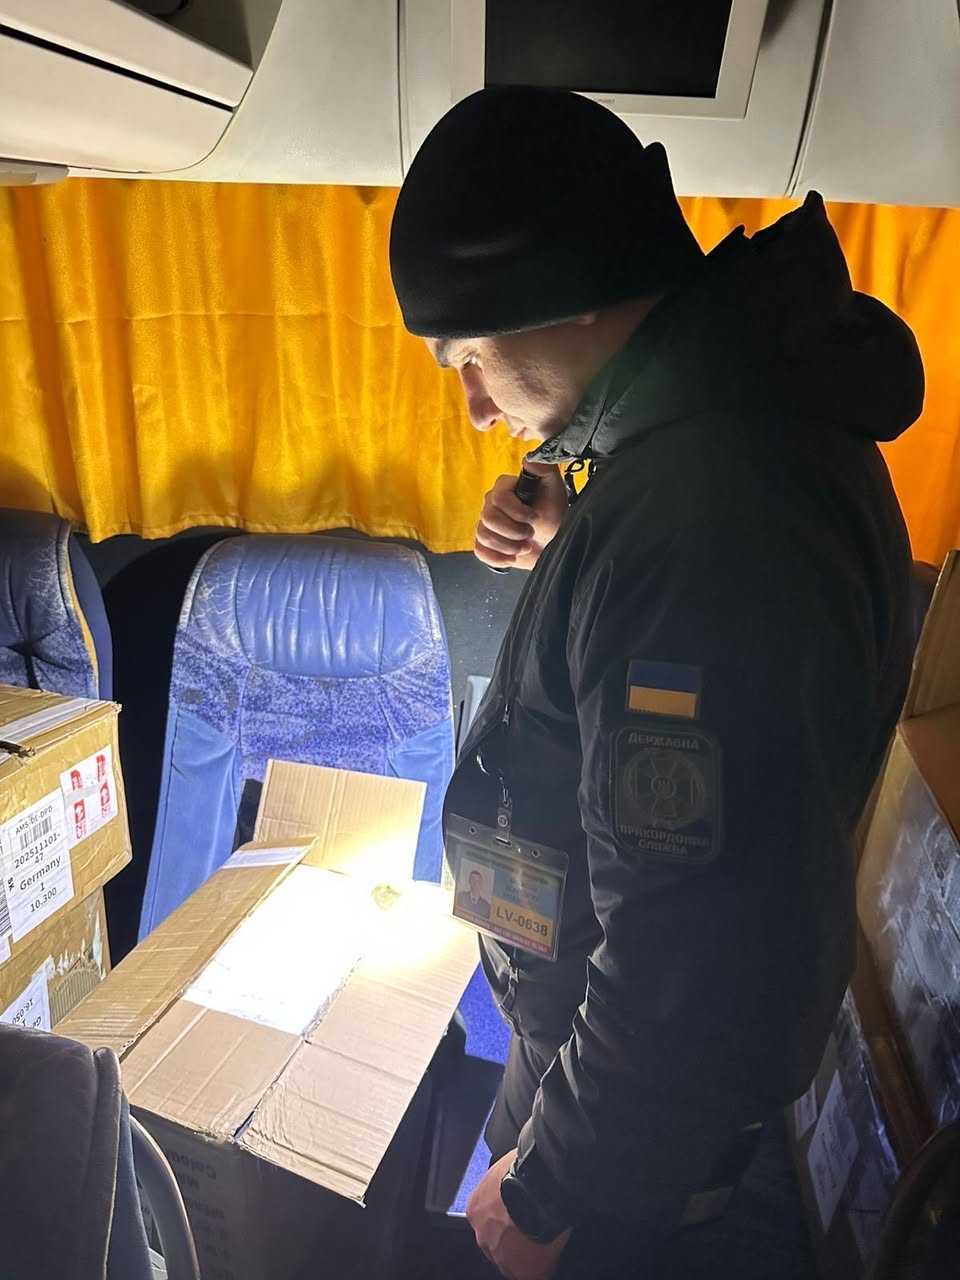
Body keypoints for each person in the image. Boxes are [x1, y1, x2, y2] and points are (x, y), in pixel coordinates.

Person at [389, 87, 922, 1279]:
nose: (472, 405)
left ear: (569, 285)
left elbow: (700, 945)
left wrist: (555, 1184)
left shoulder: (703, 518)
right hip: (595, 1073)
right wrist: (574, 546)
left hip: (628, 1155)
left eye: (470, 357)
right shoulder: (710, 445)